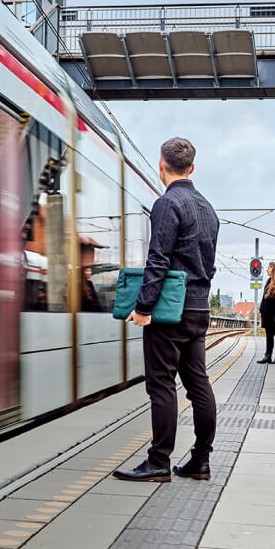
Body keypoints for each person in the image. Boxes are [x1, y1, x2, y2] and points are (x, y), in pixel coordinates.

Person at [114, 137, 220, 483]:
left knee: (161, 385)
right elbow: (209, 263)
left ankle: (158, 461)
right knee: (198, 384)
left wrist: (143, 306)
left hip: (170, 311)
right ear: (192, 167)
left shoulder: (167, 203)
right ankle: (200, 460)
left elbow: (157, 259)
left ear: (162, 165)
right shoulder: (208, 208)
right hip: (199, 309)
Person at [257, 262, 275, 364]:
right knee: (269, 335)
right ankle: (267, 355)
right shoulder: (268, 281)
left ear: (274, 270)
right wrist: (261, 310)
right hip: (267, 313)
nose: (267, 269)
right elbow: (264, 298)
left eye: (269, 268)